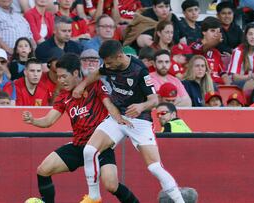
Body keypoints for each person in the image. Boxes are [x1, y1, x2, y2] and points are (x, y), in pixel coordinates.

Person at [73, 40, 185, 203]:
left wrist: (141, 106)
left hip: (139, 121)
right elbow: (97, 73)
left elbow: (153, 100)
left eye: (109, 62)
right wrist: (82, 85)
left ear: (119, 56)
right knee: (89, 150)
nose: (107, 66)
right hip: (118, 117)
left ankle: (180, 201)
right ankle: (94, 197)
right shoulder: (110, 64)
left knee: (155, 167)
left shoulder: (139, 70)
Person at [22, 53, 139, 203]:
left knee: (111, 185)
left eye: (64, 76)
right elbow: (48, 121)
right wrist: (33, 121)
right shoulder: (63, 96)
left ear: (76, 73)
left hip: (100, 146)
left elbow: (109, 105)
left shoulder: (94, 86)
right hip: (79, 146)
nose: (60, 81)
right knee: (43, 170)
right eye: (58, 77)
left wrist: (121, 120)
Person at [228, 23, 254, 88]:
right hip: (237, 84)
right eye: (250, 34)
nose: (253, 37)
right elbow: (235, 77)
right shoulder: (238, 51)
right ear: (246, 36)